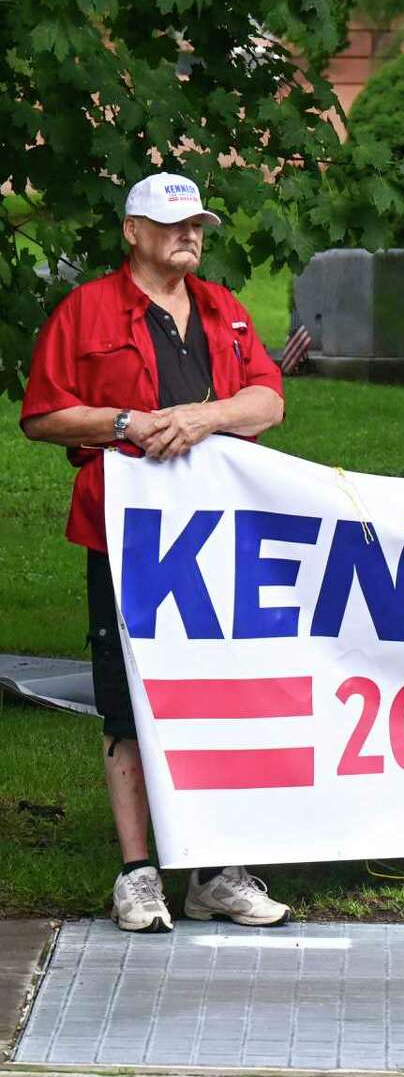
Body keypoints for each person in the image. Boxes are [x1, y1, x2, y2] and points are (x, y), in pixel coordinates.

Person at [20, 173, 293, 931]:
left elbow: (268, 398)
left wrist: (206, 416)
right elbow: (42, 415)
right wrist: (125, 424)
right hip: (128, 534)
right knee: (127, 696)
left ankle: (213, 870)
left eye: (197, 222)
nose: (190, 235)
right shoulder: (88, 311)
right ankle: (139, 872)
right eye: (172, 223)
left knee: (218, 693)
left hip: (218, 534)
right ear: (132, 232)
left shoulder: (224, 310)